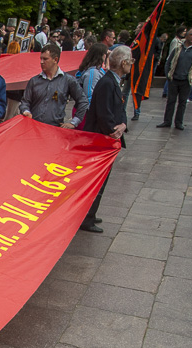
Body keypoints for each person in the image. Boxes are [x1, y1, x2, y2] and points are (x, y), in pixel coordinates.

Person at [82, 45, 131, 234]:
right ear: (124, 62)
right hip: (101, 141)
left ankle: (91, 214)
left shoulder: (112, 81)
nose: (131, 65)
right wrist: (114, 131)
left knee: (101, 181)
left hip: (106, 139)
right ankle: (87, 217)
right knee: (98, 182)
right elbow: (104, 114)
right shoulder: (107, 83)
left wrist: (123, 124)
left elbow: (119, 109)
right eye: (130, 61)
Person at [19, 44, 88, 128]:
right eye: (41, 58)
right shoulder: (34, 81)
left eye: (45, 59)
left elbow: (83, 101)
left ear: (55, 60)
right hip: (34, 128)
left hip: (55, 130)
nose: (41, 62)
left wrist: (73, 122)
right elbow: (25, 101)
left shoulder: (68, 80)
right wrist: (26, 111)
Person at [156, 27, 192, 131]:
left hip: (186, 80)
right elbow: (169, 61)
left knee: (182, 102)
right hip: (174, 78)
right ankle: (167, 121)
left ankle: (179, 122)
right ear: (186, 36)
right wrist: (168, 74)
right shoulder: (178, 47)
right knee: (170, 101)